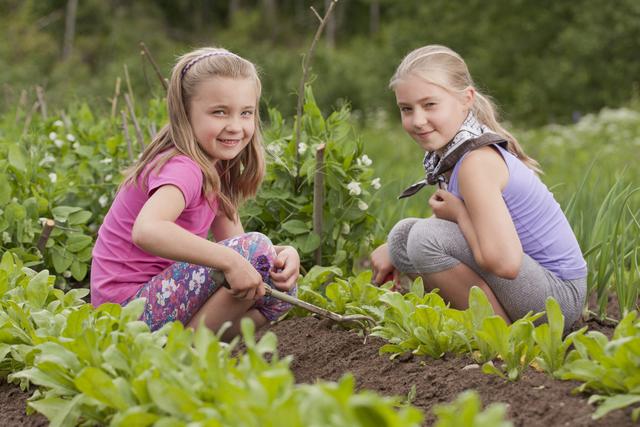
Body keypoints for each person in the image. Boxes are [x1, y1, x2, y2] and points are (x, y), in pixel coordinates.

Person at [370, 45, 586, 330]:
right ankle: (479, 323)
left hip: (557, 300)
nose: (418, 120)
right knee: (402, 237)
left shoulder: (476, 163)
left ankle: (504, 338)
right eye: (406, 109)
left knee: (424, 238)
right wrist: (391, 248)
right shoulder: (454, 151)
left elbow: (506, 263)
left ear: (466, 99)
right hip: (533, 285)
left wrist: (459, 214)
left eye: (430, 105)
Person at [91, 47, 300, 339]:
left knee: (278, 282)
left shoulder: (217, 169)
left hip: (158, 303)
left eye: (246, 113)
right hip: (125, 312)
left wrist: (283, 255)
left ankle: (186, 348)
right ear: (185, 114)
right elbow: (147, 230)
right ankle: (178, 355)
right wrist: (233, 260)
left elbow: (238, 246)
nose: (235, 126)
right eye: (219, 112)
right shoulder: (183, 167)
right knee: (253, 254)